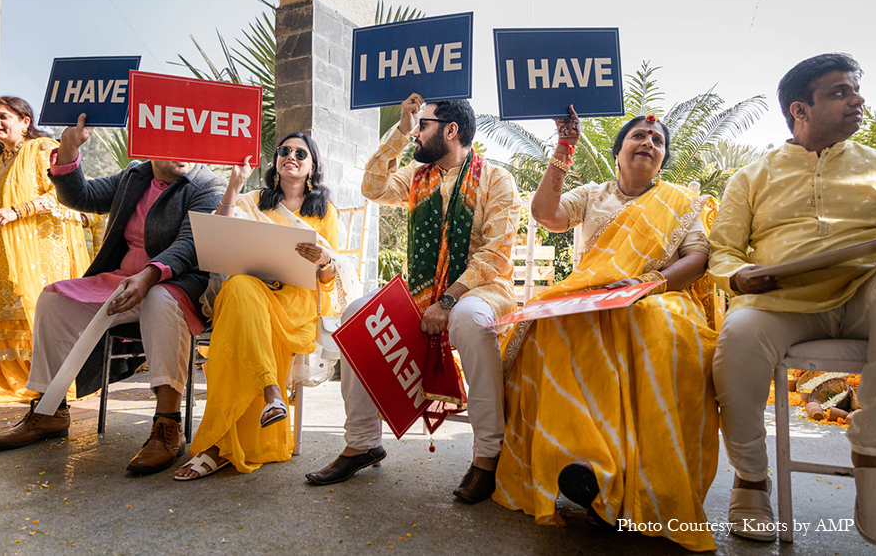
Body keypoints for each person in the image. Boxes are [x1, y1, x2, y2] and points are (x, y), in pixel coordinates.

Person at [494, 110, 721, 552]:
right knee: (552, 329)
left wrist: (648, 285)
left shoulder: (680, 201)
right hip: (593, 299)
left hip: (660, 295)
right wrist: (563, 150)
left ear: (664, 158)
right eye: (638, 135)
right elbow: (547, 214)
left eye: (657, 140)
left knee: (653, 327)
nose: (648, 142)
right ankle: (590, 464)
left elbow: (696, 257)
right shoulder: (593, 195)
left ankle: (637, 487)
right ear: (618, 153)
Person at [0, 114, 226, 476]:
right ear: (152, 146)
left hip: (178, 283)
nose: (186, 153)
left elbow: (191, 244)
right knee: (54, 298)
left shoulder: (206, 183)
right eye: (175, 144)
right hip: (120, 280)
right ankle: (48, 410)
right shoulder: (135, 176)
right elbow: (81, 196)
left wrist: (148, 276)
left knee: (160, 300)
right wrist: (69, 148)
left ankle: (167, 424)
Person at [306, 94, 520, 503]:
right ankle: (363, 443)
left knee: (469, 321)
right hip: (424, 293)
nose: (418, 133)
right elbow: (373, 187)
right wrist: (400, 133)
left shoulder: (496, 179)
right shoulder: (418, 177)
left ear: (451, 130)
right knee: (356, 316)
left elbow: (494, 256)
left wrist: (450, 299)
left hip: (481, 290)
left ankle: (488, 455)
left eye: (423, 125)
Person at [710, 53, 876, 546]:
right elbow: (722, 250)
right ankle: (750, 480)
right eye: (840, 92)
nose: (858, 100)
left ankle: (874, 453)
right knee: (738, 337)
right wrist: (740, 276)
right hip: (782, 303)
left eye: (855, 89)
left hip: (867, 294)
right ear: (799, 110)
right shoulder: (751, 176)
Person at [174, 133, 360, 480]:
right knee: (239, 289)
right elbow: (220, 233)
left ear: (312, 166)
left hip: (295, 305)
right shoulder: (255, 200)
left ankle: (216, 447)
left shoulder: (325, 212)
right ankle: (271, 394)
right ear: (276, 161)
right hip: (253, 293)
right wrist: (234, 184)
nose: (291, 156)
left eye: (300, 153)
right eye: (284, 151)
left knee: (238, 308)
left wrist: (323, 261)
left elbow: (329, 279)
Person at [0, 97, 90, 405]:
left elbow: (64, 193)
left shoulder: (42, 149)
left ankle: (53, 383)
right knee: (13, 312)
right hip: (4, 256)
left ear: (24, 121)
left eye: (3, 116)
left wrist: (20, 210)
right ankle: (17, 384)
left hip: (41, 252)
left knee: (39, 312)